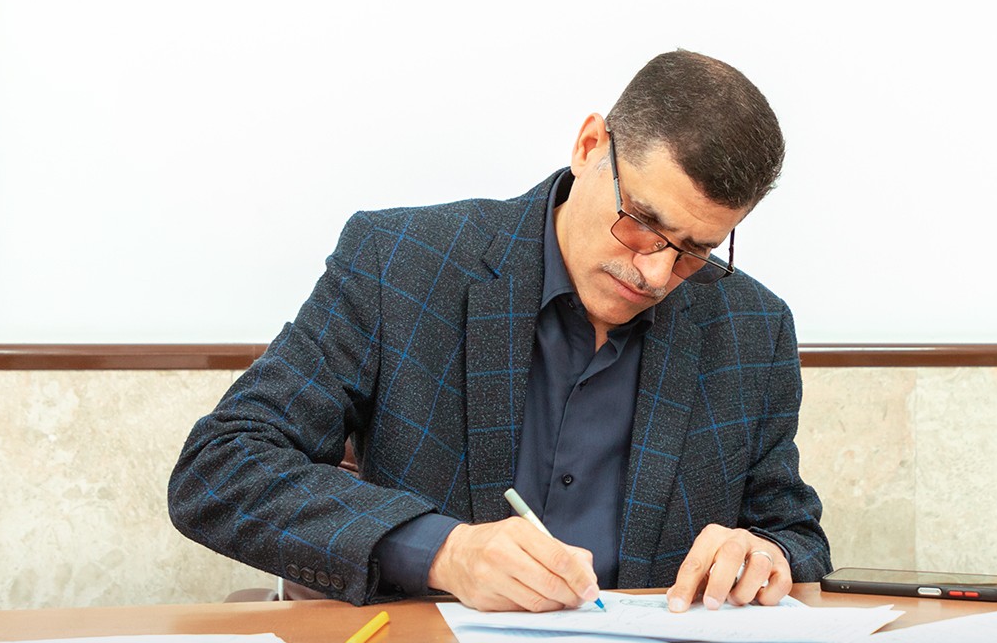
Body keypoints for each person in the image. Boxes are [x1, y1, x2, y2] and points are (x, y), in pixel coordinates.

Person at [170, 49, 830, 614]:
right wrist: (443, 550)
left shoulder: (752, 328)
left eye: (695, 250)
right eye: (641, 223)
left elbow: (795, 535)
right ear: (590, 146)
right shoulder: (400, 263)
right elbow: (221, 467)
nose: (656, 273)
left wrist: (764, 554)